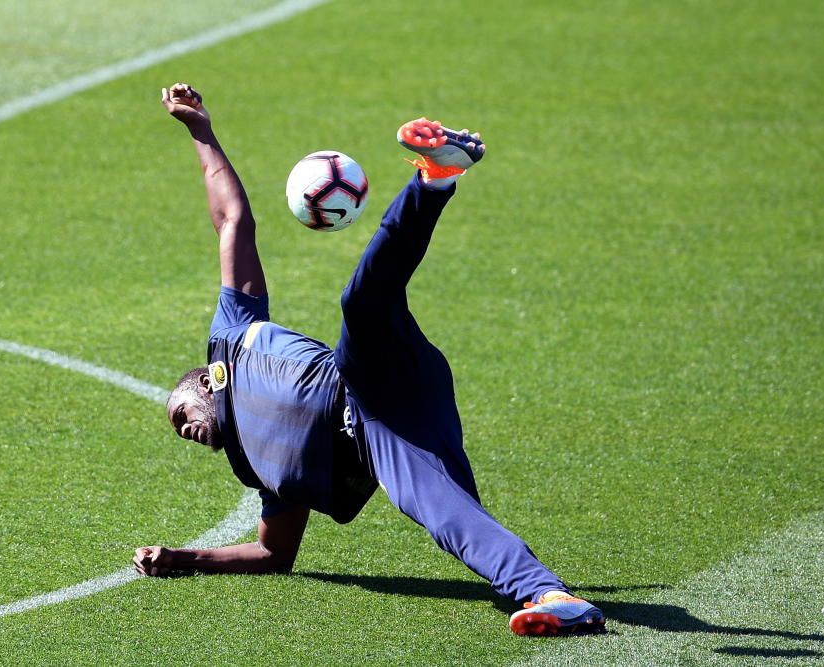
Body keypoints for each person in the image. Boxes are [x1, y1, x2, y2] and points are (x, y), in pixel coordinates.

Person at [133, 82, 606, 637]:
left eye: (178, 414)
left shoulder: (230, 336)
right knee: (442, 514)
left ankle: (436, 177)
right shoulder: (258, 469)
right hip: (382, 436)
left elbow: (232, 221)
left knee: (361, 301)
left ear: (203, 385)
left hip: (366, 372)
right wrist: (183, 559)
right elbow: (273, 555)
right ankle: (551, 595)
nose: (182, 430)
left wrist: (201, 132)